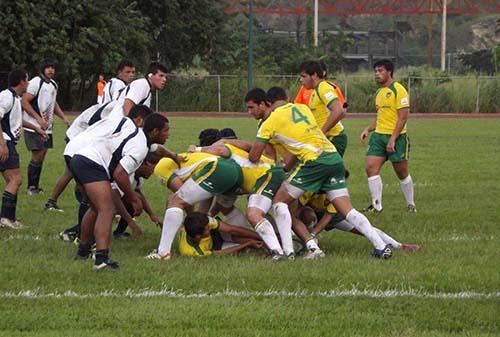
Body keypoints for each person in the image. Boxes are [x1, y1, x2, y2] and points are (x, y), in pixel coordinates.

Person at [248, 87, 393, 259]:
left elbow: (255, 155)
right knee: (347, 210)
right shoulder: (303, 108)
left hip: (314, 162)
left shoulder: (269, 122)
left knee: (280, 201)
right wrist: (287, 167)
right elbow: (301, 141)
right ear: (286, 98)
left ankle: (288, 252)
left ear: (268, 104)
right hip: (333, 157)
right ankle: (381, 246)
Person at [69, 111, 170, 270]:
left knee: (95, 208)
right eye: (166, 130)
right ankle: (101, 259)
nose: (168, 135)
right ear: (155, 131)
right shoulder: (140, 147)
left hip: (79, 159)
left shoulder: (136, 134)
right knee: (107, 209)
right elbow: (119, 173)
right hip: (92, 163)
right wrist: (133, 197)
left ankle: (83, 252)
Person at [145, 151, 242, 260]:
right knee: (175, 201)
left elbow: (182, 197)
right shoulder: (182, 160)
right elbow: (205, 194)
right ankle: (255, 241)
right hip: (232, 170)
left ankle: (163, 253)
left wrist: (192, 221)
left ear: (149, 163)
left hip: (216, 169)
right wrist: (202, 218)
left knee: (175, 202)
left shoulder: (160, 168)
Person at [360, 59, 416, 213]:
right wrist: (368, 129)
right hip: (378, 137)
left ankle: (411, 205)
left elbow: (403, 117)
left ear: (389, 72)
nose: (377, 74)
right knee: (371, 167)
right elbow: (380, 118)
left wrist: (392, 139)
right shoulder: (379, 93)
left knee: (402, 172)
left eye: (380, 71)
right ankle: (377, 206)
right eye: (376, 71)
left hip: (397, 138)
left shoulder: (399, 90)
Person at [296, 192, 421, 252]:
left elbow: (328, 217)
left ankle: (398, 245)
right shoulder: (309, 185)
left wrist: (312, 235)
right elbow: (296, 208)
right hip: (309, 212)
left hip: (328, 215)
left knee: (363, 229)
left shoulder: (337, 192)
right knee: (307, 214)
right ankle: (304, 246)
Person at [22, 59, 70, 195]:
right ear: (42, 69)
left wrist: (64, 117)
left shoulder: (53, 84)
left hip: (47, 127)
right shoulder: (36, 82)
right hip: (33, 126)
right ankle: (31, 187)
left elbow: (54, 104)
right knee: (38, 154)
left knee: (42, 155)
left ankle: (35, 186)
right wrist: (38, 118)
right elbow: (24, 102)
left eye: (53, 68)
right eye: (48, 68)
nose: (51, 70)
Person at [0, 69, 36, 229]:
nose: (28, 83)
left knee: (12, 180)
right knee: (16, 180)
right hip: (5, 142)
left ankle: (10, 218)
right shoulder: (6, 96)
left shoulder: (15, 98)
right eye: (27, 80)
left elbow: (16, 120)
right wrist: (2, 144)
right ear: (21, 81)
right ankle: (6, 219)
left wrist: (37, 128)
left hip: (8, 142)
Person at [299, 60, 348, 157]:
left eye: (304, 76)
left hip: (333, 138)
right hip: (327, 138)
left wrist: (321, 133)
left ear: (314, 75)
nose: (301, 79)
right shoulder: (315, 90)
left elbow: (339, 111)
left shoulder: (323, 87)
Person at [111, 153, 161, 239]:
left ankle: (119, 233)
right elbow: (114, 197)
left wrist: (151, 214)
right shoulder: (128, 175)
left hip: (113, 196)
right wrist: (131, 223)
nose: (151, 173)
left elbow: (138, 193)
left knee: (132, 203)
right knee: (108, 209)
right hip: (102, 195)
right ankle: (92, 237)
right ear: (144, 164)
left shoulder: (138, 178)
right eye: (152, 169)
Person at [179, 212, 264, 257]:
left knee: (236, 235)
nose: (210, 226)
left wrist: (262, 236)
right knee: (245, 249)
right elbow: (221, 253)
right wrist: (247, 244)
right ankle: (265, 245)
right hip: (215, 247)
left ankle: (269, 240)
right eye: (207, 228)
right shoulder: (193, 252)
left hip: (216, 234)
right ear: (198, 236)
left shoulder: (204, 222)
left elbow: (232, 229)